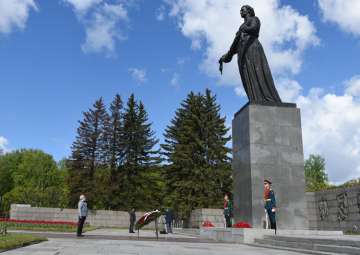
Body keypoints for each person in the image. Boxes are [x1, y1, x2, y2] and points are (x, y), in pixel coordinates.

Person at [219, 5, 282, 103]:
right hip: (243, 55)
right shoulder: (241, 27)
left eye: (242, 10)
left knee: (258, 73)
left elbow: (255, 29)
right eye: (240, 10)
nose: (240, 11)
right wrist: (226, 57)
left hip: (253, 50)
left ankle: (267, 97)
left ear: (248, 11)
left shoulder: (254, 19)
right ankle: (255, 99)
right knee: (248, 78)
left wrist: (243, 29)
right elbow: (234, 45)